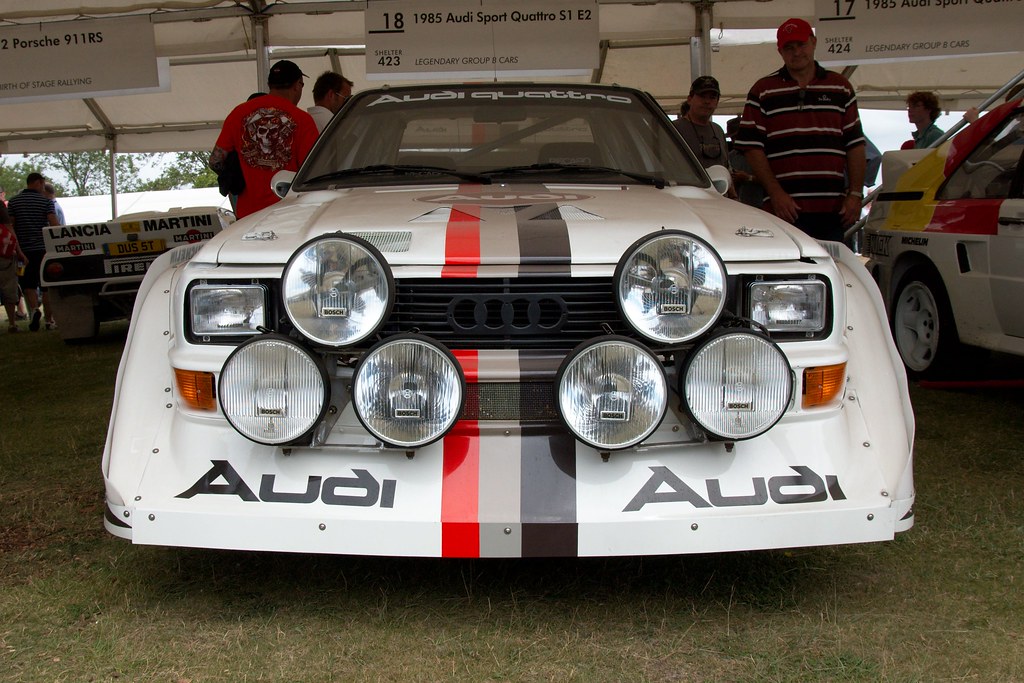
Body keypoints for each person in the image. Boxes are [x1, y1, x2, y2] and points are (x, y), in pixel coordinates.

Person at [735, 18, 866, 242]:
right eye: (789, 47)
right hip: (783, 211)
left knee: (834, 271)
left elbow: (855, 145)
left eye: (801, 44)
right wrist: (776, 193)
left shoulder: (841, 87)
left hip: (833, 212)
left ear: (813, 42)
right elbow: (751, 147)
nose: (796, 52)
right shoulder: (763, 91)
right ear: (780, 51)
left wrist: (855, 194)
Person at [209, 60, 319, 219]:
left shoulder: (238, 114)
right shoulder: (303, 120)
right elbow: (312, 172)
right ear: (297, 85)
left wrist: (240, 175)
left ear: (269, 84)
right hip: (289, 213)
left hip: (248, 215)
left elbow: (215, 161)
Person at [7, 172, 59, 331]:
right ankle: (49, 321)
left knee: (28, 284)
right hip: (43, 250)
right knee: (46, 286)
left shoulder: (14, 202)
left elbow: (11, 226)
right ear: (38, 182)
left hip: (24, 251)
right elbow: (54, 224)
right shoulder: (46, 202)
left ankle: (35, 309)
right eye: (42, 184)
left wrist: (18, 248)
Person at [0, 203, 27, 333]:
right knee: (9, 286)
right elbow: (9, 228)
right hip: (4, 255)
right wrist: (20, 252)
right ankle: (12, 323)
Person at [726, 117, 764, 208]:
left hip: (760, 206)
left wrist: (748, 178)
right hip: (739, 206)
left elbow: (771, 180)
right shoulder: (730, 156)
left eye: (736, 137)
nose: (734, 141)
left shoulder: (760, 154)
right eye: (732, 138)